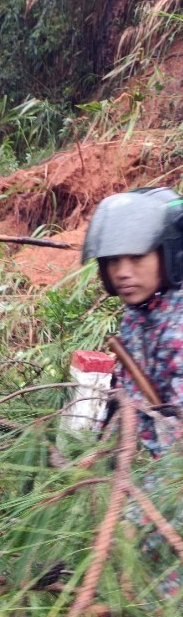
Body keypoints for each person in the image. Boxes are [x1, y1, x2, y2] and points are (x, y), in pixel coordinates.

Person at [82, 187, 183, 455]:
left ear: (171, 254)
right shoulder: (139, 313)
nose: (123, 273)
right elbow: (125, 395)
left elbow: (176, 450)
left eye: (137, 257)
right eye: (114, 260)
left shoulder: (178, 325)